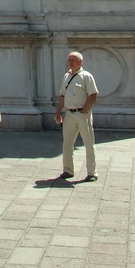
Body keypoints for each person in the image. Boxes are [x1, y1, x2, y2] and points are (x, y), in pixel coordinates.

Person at [54, 51, 99, 182]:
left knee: (89, 143)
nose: (71, 62)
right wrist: (58, 111)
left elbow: (93, 94)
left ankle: (92, 172)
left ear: (80, 62)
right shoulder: (66, 76)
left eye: (73, 60)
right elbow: (63, 95)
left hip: (82, 114)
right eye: (69, 60)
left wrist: (86, 110)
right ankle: (68, 170)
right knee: (67, 143)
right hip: (69, 113)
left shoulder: (86, 76)